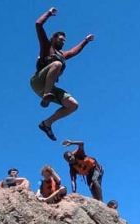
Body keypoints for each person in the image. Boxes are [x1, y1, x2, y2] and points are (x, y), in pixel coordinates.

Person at [31, 7, 95, 141]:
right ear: (53, 39)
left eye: (64, 41)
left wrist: (85, 41)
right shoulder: (46, 46)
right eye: (60, 39)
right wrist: (48, 13)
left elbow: (74, 52)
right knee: (57, 64)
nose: (63, 42)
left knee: (73, 105)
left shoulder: (62, 54)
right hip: (38, 82)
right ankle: (46, 95)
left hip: (50, 86)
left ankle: (47, 124)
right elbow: (38, 24)